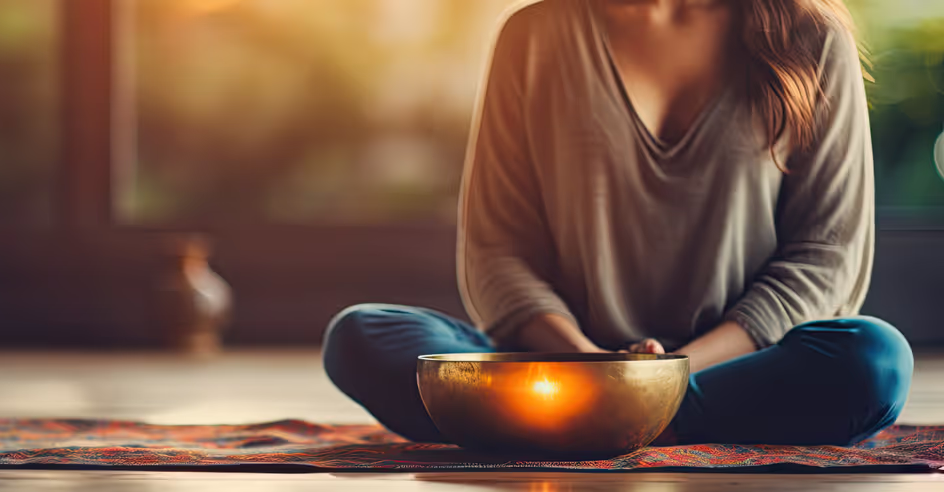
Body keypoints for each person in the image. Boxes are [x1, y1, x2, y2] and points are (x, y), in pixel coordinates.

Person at [322, 0, 914, 446]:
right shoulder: (533, 36)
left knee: (875, 360)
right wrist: (592, 365)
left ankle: (565, 432)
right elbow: (496, 252)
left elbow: (824, 257)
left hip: (729, 369)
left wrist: (663, 378)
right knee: (362, 335)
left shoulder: (812, 38)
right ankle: (628, 425)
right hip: (564, 367)